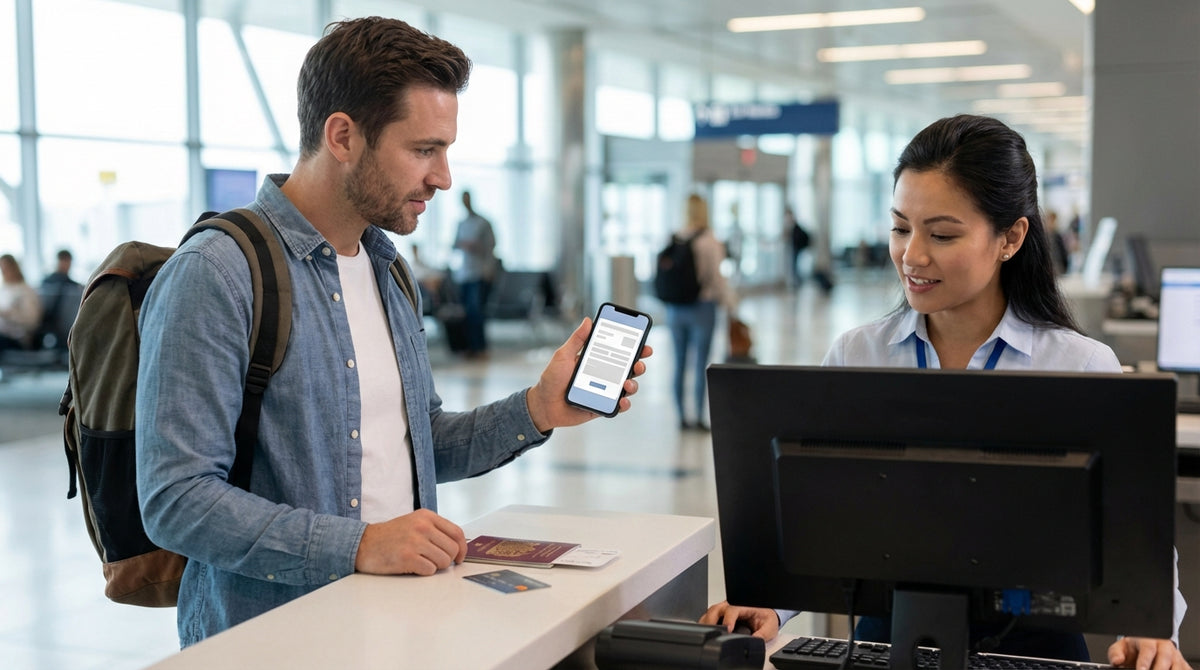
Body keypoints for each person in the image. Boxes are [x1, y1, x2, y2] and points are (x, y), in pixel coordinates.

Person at [135, 17, 651, 648]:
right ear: (343, 136)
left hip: (394, 628)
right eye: (424, 149)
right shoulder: (219, 274)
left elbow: (418, 441)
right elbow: (175, 499)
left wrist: (537, 409)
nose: (443, 177)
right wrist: (359, 544)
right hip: (271, 641)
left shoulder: (388, 272)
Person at [701, 115, 1190, 670]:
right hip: (886, 646)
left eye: (942, 234)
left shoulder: (1079, 365)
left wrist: (1152, 631)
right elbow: (817, 520)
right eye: (900, 227)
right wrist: (769, 603)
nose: (912, 255)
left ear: (1011, 238)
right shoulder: (857, 356)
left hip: (1032, 652)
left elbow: (1135, 545)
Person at [665, 193, 737, 430]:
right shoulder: (709, 240)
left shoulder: (676, 237)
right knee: (700, 364)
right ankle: (697, 416)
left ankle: (680, 417)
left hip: (675, 309)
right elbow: (716, 279)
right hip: (702, 307)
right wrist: (729, 304)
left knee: (679, 362)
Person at [452, 190, 498, 358]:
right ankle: (470, 347)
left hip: (479, 273)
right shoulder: (461, 224)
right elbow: (454, 244)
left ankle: (481, 347)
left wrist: (489, 270)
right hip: (464, 273)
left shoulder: (483, 223)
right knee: (466, 313)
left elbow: (491, 246)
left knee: (476, 311)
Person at [0, 254, 42, 352]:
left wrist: (7, 314)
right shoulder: (3, 290)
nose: (4, 272)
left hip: (17, 337)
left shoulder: (26, 291)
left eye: (6, 268)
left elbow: (32, 320)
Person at [786, 206, 810, 288]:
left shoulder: (795, 225)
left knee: (795, 267)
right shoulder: (792, 225)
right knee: (794, 267)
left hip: (797, 248)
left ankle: (798, 283)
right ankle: (797, 283)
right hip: (795, 248)